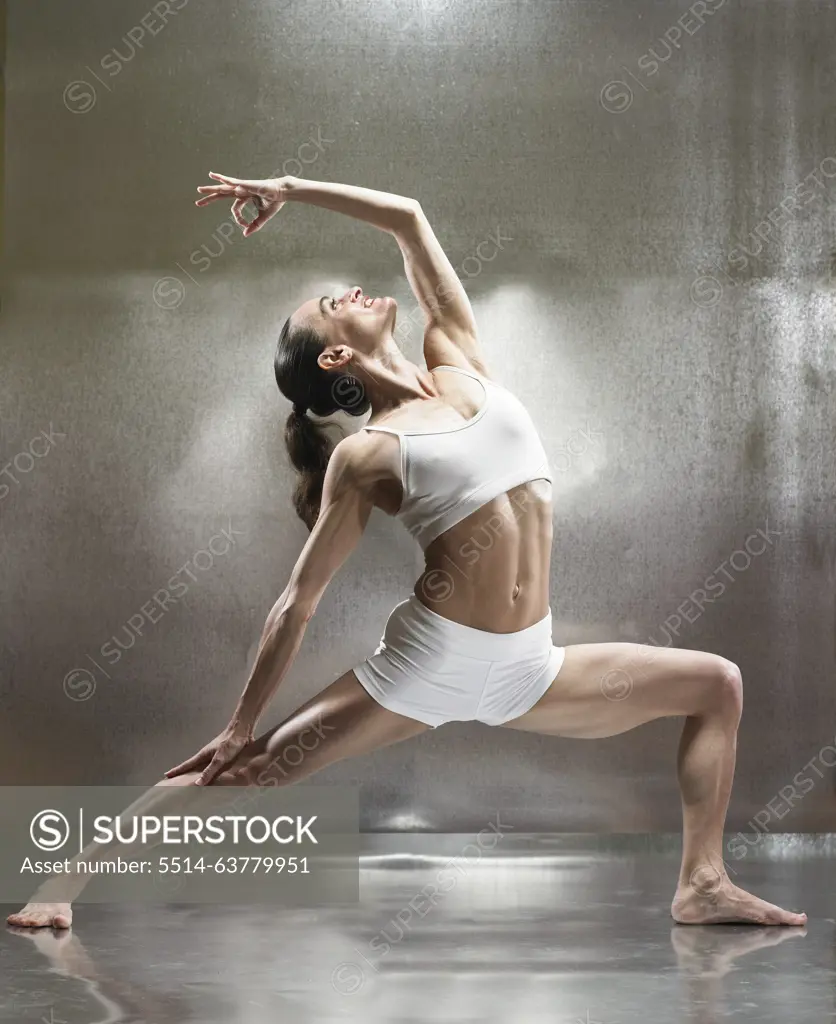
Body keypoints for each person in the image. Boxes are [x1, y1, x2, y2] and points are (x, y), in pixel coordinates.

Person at [8, 173, 805, 929]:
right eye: (332, 304)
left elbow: (408, 217)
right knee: (247, 770)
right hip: (426, 666)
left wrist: (289, 189)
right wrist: (240, 721)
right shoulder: (368, 455)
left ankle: (701, 884)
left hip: (530, 666)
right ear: (332, 357)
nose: (351, 291)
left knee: (716, 686)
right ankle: (62, 885)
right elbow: (300, 599)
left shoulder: (459, 357)